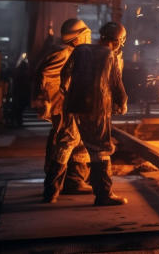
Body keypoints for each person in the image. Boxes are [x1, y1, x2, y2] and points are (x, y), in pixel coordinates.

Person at [50, 22, 129, 206]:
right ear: (118, 41)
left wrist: (68, 93)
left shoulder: (80, 49)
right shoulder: (109, 55)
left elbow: (65, 75)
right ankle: (104, 195)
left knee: (66, 144)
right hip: (96, 108)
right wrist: (122, 103)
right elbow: (116, 84)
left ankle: (50, 192)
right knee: (100, 149)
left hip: (73, 106)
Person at [36, 19, 93, 201]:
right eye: (86, 34)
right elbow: (46, 78)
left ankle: (74, 181)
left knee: (80, 141)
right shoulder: (63, 53)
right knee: (68, 141)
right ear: (77, 37)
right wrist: (53, 102)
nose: (89, 38)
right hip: (65, 107)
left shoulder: (74, 53)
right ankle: (52, 188)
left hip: (73, 106)